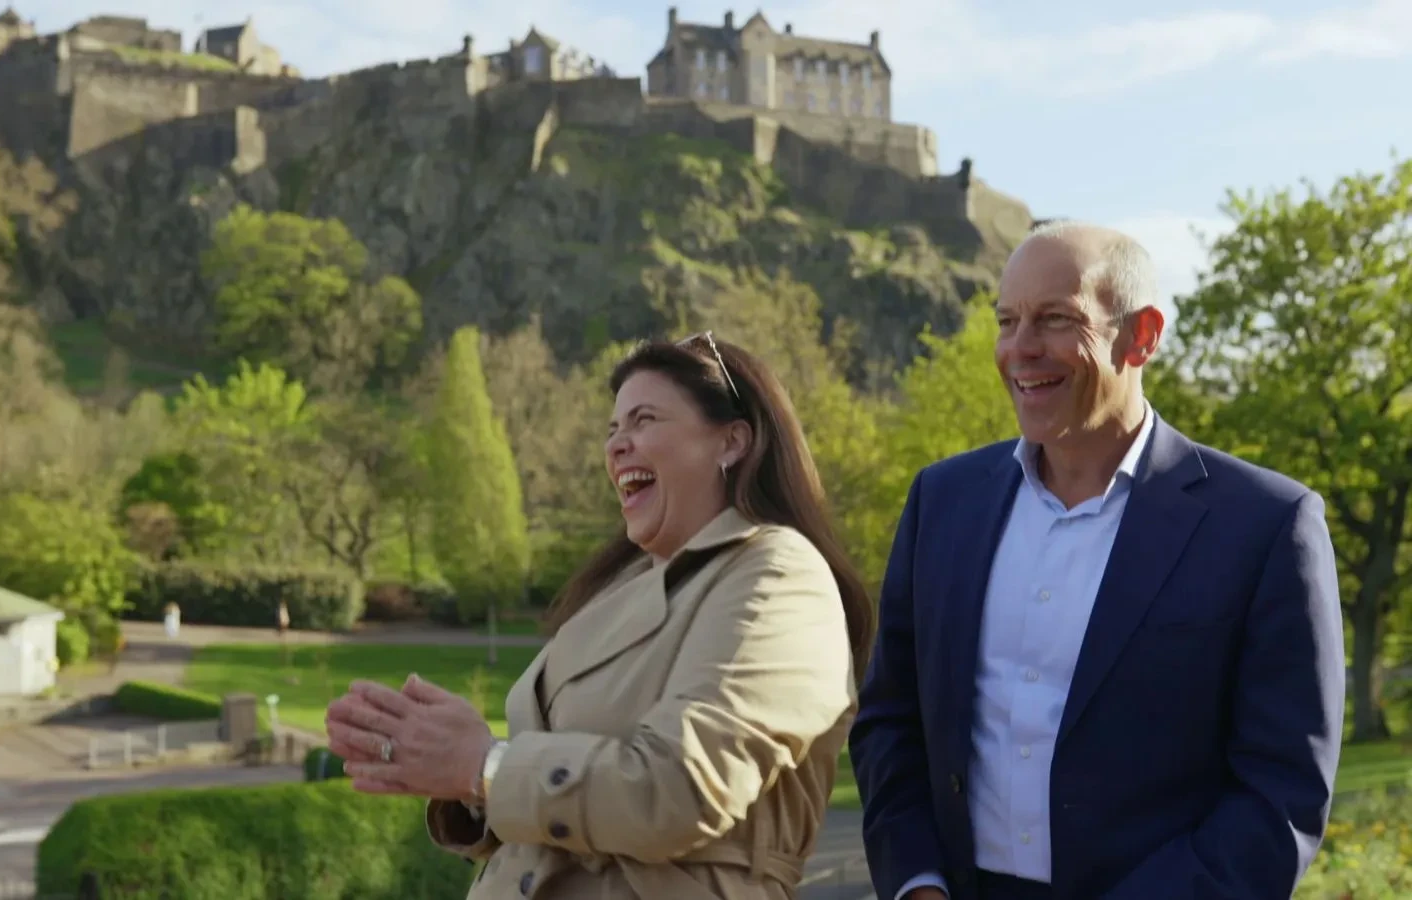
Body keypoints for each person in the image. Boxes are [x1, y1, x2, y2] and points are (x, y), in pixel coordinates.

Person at [848, 221, 1347, 900]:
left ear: (1141, 335)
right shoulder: (943, 501)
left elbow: (1279, 792)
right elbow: (890, 721)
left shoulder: (1265, 525)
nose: (1021, 349)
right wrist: (918, 882)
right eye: (1007, 320)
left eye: (1055, 320)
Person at [325, 333, 875, 899]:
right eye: (612, 430)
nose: (616, 446)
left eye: (643, 420)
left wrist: (484, 765)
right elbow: (560, 801)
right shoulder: (620, 587)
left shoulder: (780, 575)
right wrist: (459, 774)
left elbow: (679, 791)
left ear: (732, 441)